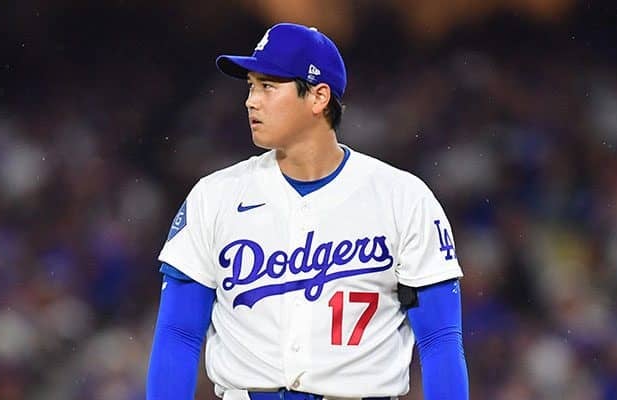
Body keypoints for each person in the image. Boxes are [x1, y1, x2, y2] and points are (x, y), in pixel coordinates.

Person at [147, 22, 469, 400]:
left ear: (318, 97)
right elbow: (179, 335)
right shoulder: (214, 197)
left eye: (268, 86)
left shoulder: (403, 199)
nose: (251, 101)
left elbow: (440, 340)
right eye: (251, 86)